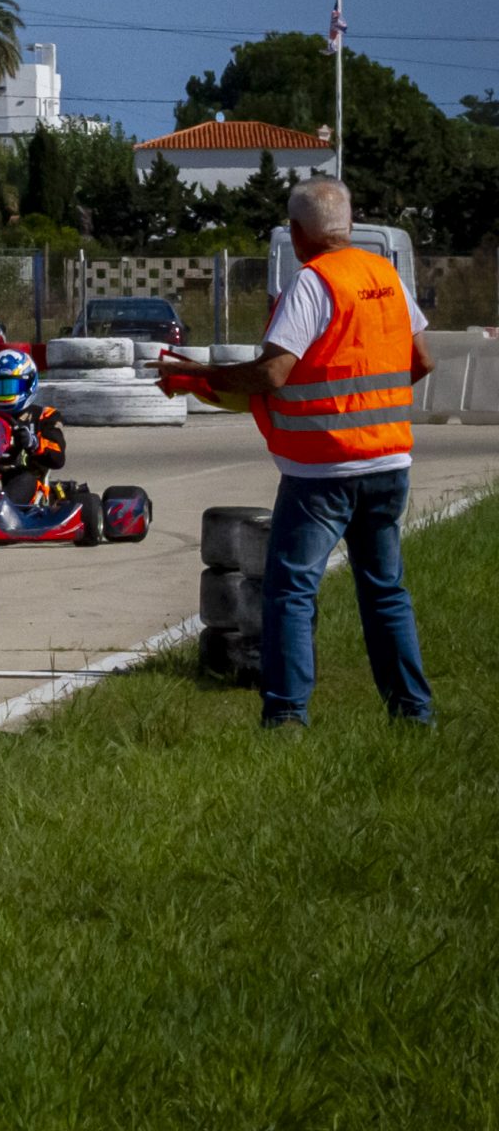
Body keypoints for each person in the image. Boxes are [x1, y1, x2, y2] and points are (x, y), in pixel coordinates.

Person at [166, 177, 433, 729]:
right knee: (385, 592)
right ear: (348, 225)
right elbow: (422, 361)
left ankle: (286, 716)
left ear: (295, 231)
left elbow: (272, 373)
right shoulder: (385, 276)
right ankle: (413, 714)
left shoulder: (313, 283)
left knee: (291, 591)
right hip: (389, 464)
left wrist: (202, 375)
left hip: (323, 470)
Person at [0, 347, 66, 503]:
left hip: (27, 484)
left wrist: (33, 443)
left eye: (11, 387)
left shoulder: (44, 416)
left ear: (29, 383)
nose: (5, 393)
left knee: (22, 479)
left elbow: (58, 458)